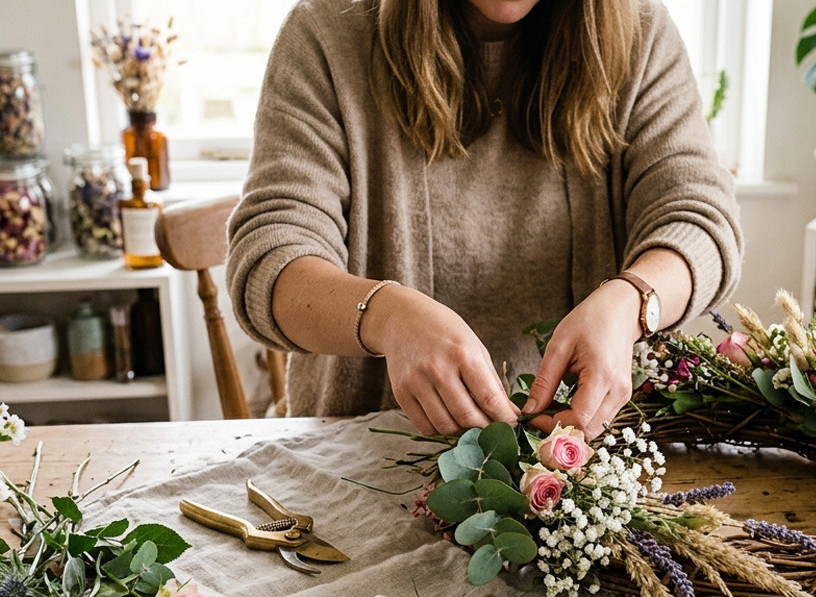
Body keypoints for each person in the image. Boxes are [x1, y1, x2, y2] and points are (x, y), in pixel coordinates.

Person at [227, 0, 743, 438]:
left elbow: (701, 219)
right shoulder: (326, 32)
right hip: (359, 454)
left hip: (588, 463)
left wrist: (631, 301)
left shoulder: (640, 33)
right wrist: (388, 317)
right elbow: (271, 263)